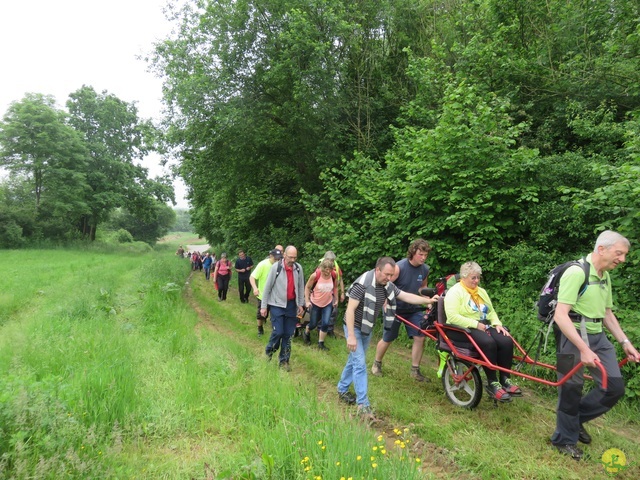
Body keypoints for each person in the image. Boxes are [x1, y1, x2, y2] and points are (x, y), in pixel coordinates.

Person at [550, 231, 639, 461]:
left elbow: (607, 313)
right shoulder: (576, 272)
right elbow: (561, 315)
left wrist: (625, 342)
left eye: (624, 255)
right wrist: (583, 348)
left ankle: (574, 420)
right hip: (572, 338)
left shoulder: (604, 276)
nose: (622, 260)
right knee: (571, 389)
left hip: (598, 337)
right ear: (602, 249)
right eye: (619, 253)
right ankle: (564, 440)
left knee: (614, 387)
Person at [337, 257, 438, 420]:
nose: (389, 278)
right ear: (377, 270)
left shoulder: (387, 285)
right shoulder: (362, 284)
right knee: (360, 364)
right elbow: (349, 310)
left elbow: (405, 296)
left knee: (354, 360)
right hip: (353, 327)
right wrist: (350, 336)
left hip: (366, 327)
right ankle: (363, 405)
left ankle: (342, 388)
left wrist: (428, 301)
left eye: (391, 275)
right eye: (386, 275)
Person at [444, 261, 522, 403]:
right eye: (473, 278)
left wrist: (497, 324)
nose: (477, 281)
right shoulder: (455, 292)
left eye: (478, 277)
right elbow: (452, 317)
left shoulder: (481, 292)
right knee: (488, 343)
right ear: (464, 276)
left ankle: (505, 379)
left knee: (506, 340)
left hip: (482, 326)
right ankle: (492, 383)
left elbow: (491, 312)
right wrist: (475, 324)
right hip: (460, 328)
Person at [372, 239, 436, 382]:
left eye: (425, 255)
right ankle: (377, 364)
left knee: (420, 336)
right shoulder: (399, 267)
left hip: (413, 309)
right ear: (413, 252)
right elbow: (385, 285)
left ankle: (415, 371)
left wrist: (427, 299)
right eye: (420, 254)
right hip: (395, 308)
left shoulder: (424, 269)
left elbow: (421, 288)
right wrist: (385, 303)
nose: (423, 258)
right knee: (389, 337)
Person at [260, 246, 305, 370]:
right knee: (278, 332)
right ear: (284, 255)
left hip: (291, 305)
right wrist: (264, 306)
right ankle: (269, 351)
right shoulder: (276, 268)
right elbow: (267, 288)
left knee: (288, 334)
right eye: (290, 257)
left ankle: (284, 361)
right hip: (276, 305)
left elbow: (301, 287)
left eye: (295, 257)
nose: (292, 259)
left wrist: (301, 304)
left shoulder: (298, 268)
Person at [303, 258, 338, 350]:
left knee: (326, 323)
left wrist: (336, 300)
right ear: (322, 268)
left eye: (330, 270)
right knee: (313, 324)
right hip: (315, 303)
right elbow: (307, 287)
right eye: (326, 270)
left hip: (328, 303)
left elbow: (335, 288)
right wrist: (307, 301)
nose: (328, 272)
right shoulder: (315, 275)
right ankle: (306, 331)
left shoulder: (334, 275)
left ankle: (321, 343)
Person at [250, 248, 283, 336]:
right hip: (263, 295)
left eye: (279, 259)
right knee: (261, 314)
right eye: (275, 259)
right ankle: (260, 328)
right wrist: (255, 288)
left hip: (276, 296)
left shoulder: (281, 266)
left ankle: (275, 331)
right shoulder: (263, 264)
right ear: (270, 256)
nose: (277, 260)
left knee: (276, 315)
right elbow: (252, 277)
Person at [321, 251, 346, 337]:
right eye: (329, 260)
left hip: (333, 292)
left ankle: (330, 330)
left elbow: (340, 279)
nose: (331, 262)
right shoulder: (321, 267)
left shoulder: (336, 267)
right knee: (322, 311)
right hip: (323, 292)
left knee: (334, 311)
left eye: (332, 260)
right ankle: (320, 328)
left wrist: (342, 293)